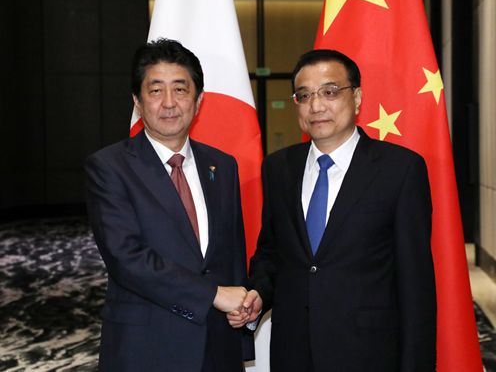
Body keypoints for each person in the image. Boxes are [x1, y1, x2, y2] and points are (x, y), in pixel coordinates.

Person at [229, 49, 437, 371]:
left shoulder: (400, 169)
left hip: (369, 354)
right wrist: (258, 292)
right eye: (304, 95)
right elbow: (271, 254)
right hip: (293, 352)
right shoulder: (278, 168)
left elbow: (416, 286)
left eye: (329, 92)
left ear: (356, 98)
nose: (317, 106)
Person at [85, 38, 251, 372]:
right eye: (156, 90)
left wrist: (242, 320)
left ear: (198, 99)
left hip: (217, 347)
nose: (169, 103)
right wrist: (213, 295)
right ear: (138, 100)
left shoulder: (222, 165)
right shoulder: (109, 167)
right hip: (146, 348)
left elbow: (231, 253)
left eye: (180, 89)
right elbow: (126, 258)